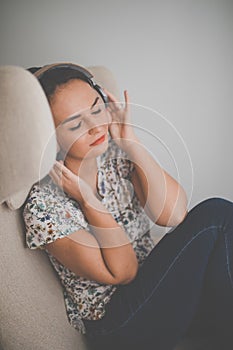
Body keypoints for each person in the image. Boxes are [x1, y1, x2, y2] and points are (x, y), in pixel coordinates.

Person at [23, 63, 233, 350]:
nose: (96, 126)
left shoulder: (113, 157)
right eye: (75, 124)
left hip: (157, 289)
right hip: (120, 325)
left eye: (97, 109)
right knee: (215, 217)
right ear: (49, 138)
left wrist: (131, 143)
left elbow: (173, 213)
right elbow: (124, 272)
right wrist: (89, 200)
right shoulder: (43, 207)